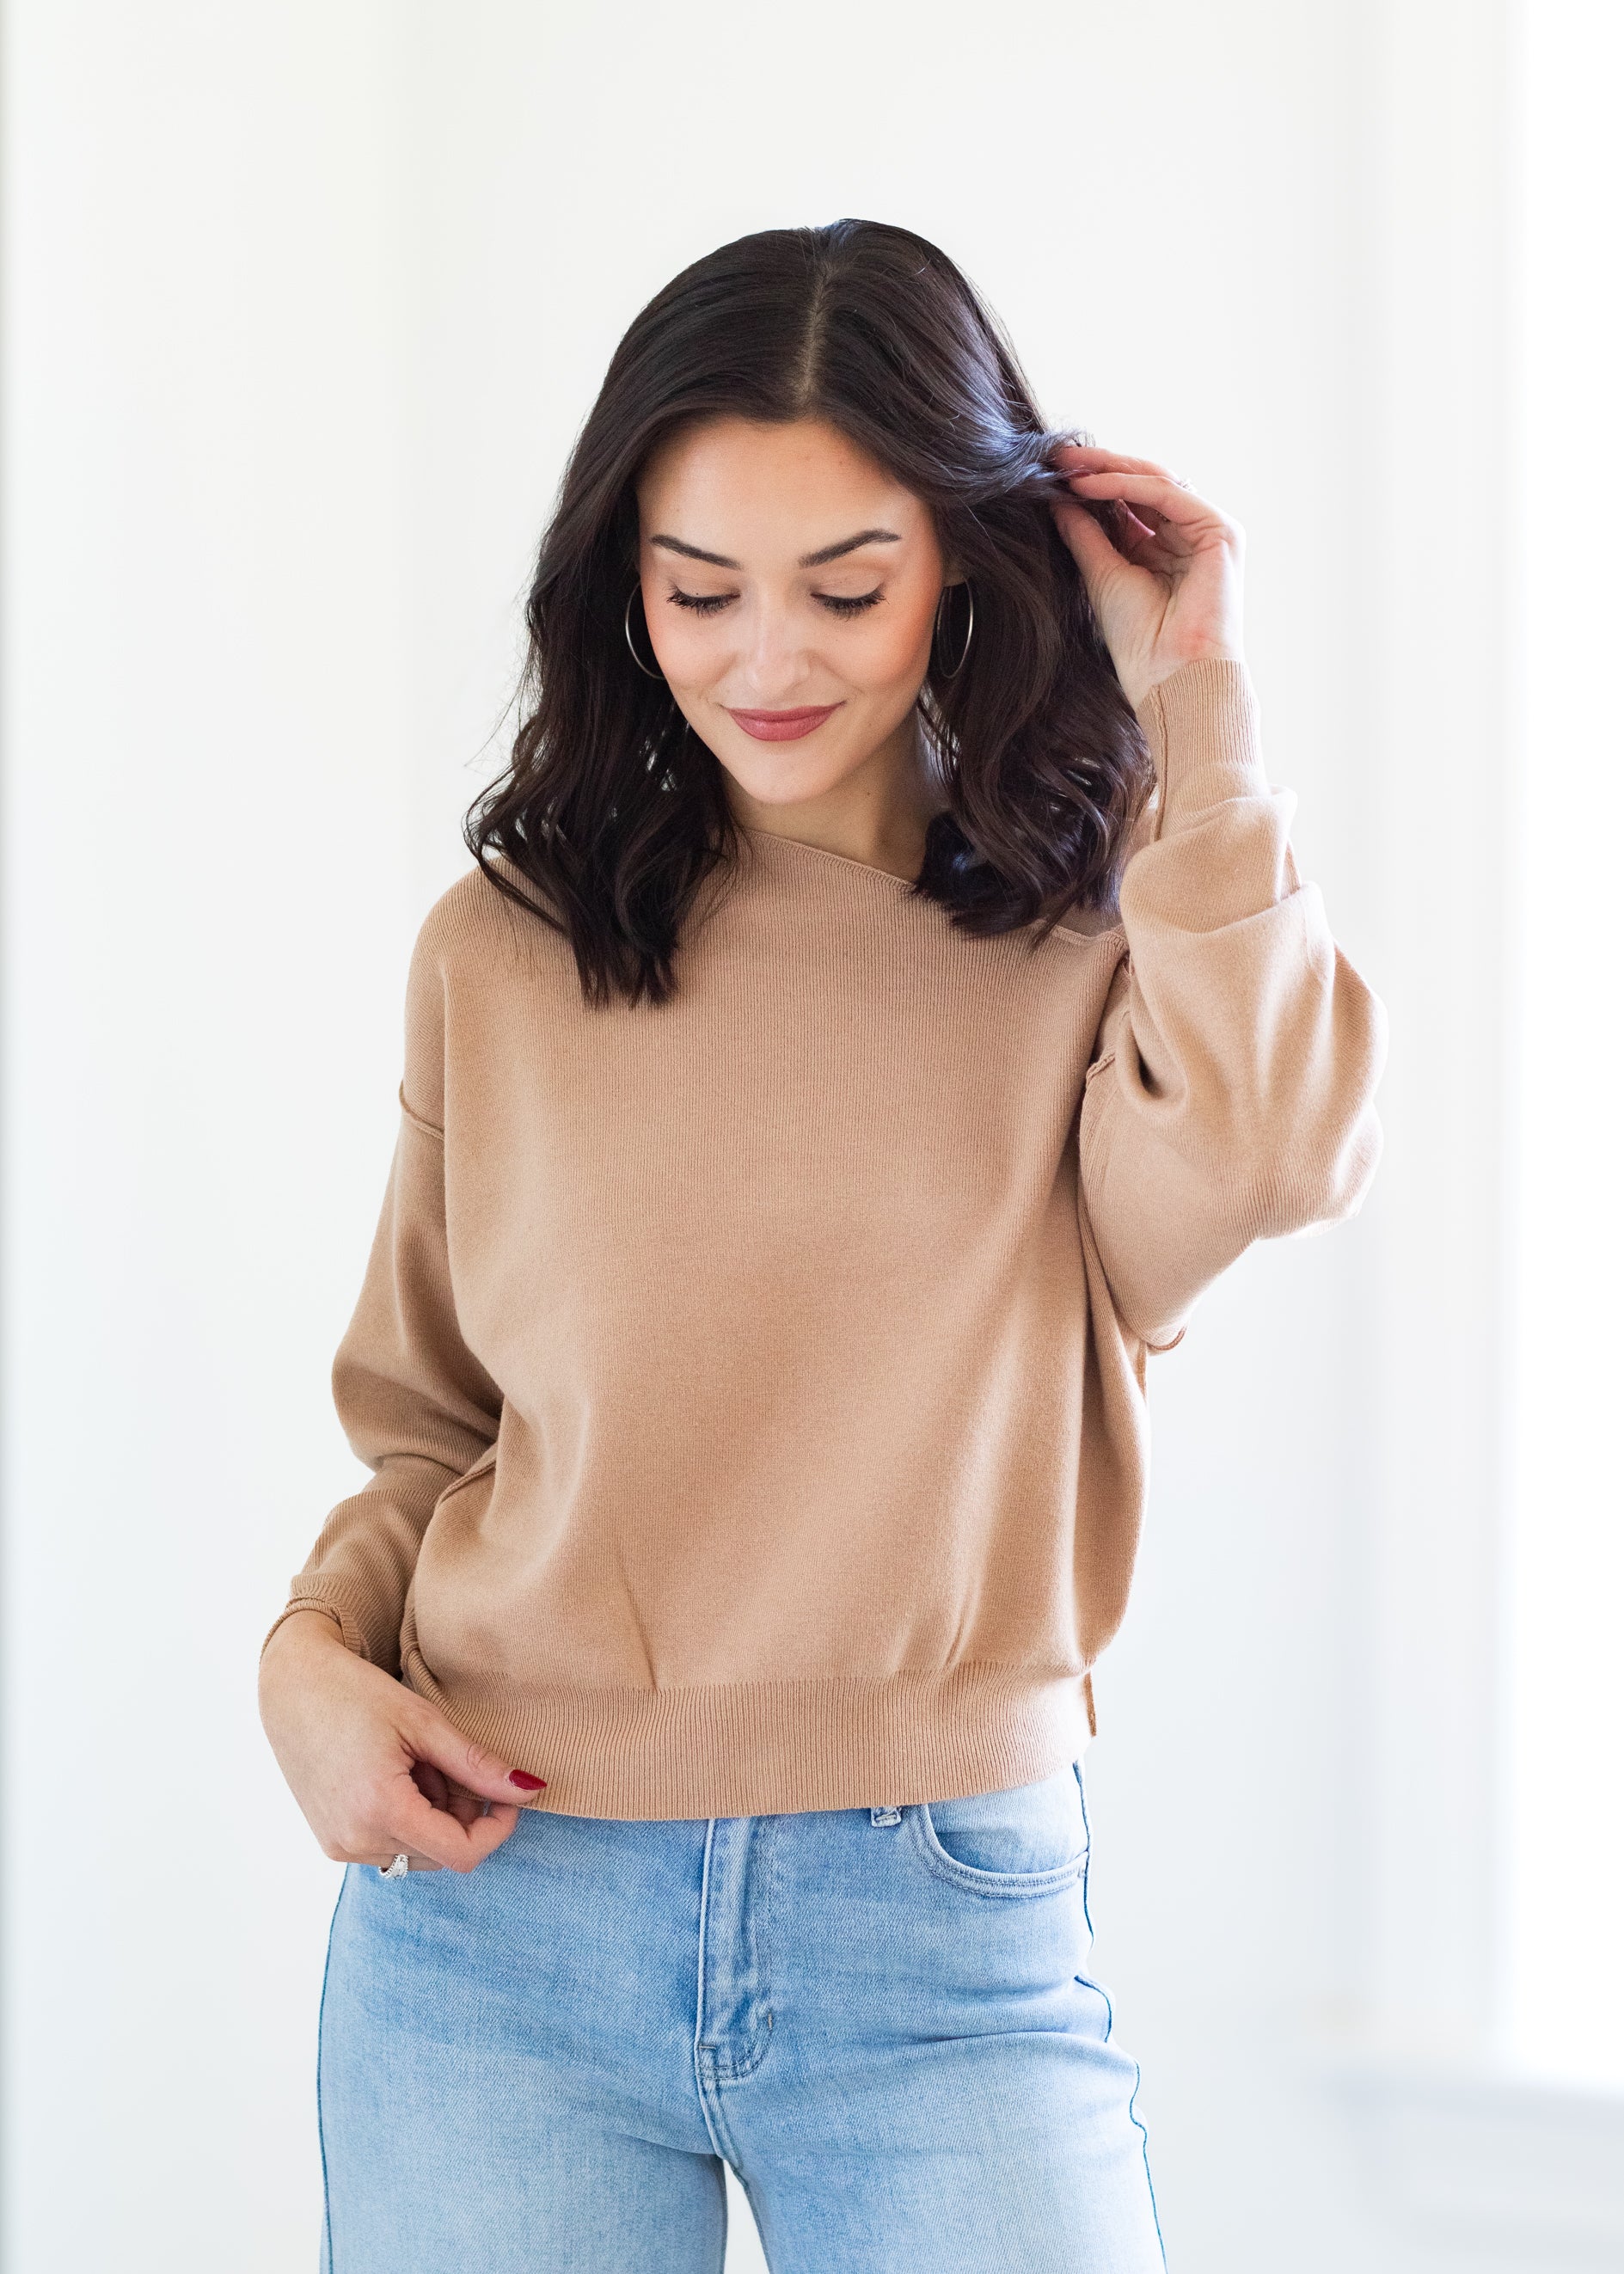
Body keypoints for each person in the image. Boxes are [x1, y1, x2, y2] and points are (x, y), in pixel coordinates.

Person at [258, 218, 1385, 2273]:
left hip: (934, 1927)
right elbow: (432, 1433)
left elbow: (1278, 1149)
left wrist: (1196, 704)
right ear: (623, 586)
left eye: (844, 589)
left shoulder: (1089, 942)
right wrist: (307, 1665)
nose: (765, 660)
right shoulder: (501, 953)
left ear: (963, 563)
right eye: (699, 591)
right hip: (498, 1919)